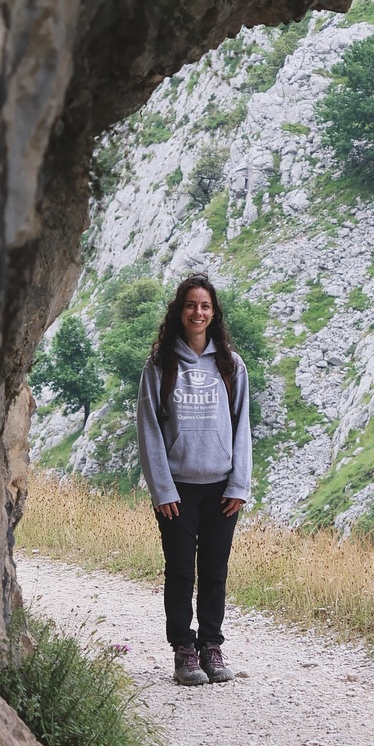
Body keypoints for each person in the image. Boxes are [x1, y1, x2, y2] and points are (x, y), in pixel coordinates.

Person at [136, 273, 252, 685]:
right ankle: (184, 649)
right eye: (190, 305)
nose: (198, 312)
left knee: (215, 570)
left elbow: (242, 427)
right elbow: (148, 428)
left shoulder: (230, 365)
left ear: (214, 312)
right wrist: (162, 489)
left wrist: (239, 484)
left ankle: (211, 645)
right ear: (179, 311)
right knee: (181, 570)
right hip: (178, 491)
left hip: (221, 488)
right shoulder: (160, 365)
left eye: (205, 306)